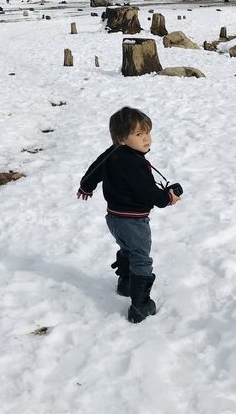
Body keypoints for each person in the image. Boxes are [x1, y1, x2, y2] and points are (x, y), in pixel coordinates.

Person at [76, 107, 180, 323]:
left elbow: (95, 169)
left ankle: (125, 283)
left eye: (147, 132)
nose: (146, 139)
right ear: (122, 139)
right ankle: (140, 305)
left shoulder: (112, 152)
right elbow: (147, 192)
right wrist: (167, 198)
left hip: (114, 219)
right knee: (141, 258)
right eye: (138, 134)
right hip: (134, 220)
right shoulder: (135, 164)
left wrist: (86, 186)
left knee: (127, 248)